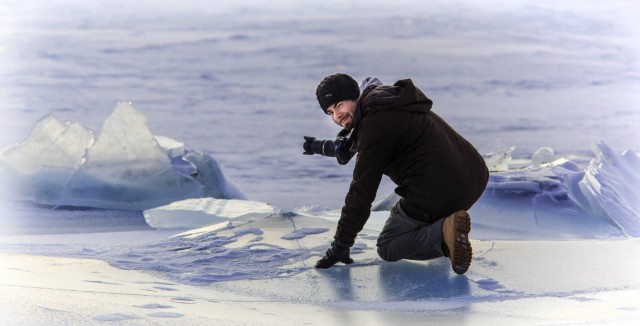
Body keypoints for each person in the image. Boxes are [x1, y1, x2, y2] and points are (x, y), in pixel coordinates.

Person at [313, 73, 489, 274]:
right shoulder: (391, 102)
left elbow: (362, 191)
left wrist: (341, 244)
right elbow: (358, 143)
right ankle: (445, 229)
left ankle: (443, 234)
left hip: (439, 189)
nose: (336, 116)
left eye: (339, 105)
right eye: (330, 112)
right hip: (476, 176)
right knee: (416, 204)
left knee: (389, 245)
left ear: (355, 96)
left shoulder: (374, 124)